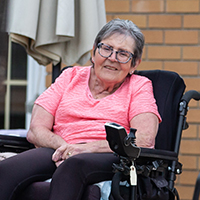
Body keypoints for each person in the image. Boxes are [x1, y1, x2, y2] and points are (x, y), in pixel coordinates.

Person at [0, 19, 161, 200]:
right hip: (59, 148)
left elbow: (144, 139)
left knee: (73, 167)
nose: (112, 58)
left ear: (134, 64)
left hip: (110, 155)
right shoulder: (70, 76)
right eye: (106, 48)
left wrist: (87, 149)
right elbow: (36, 130)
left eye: (123, 54)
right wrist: (66, 148)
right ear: (94, 52)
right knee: (7, 170)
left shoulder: (139, 87)